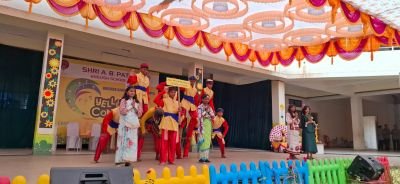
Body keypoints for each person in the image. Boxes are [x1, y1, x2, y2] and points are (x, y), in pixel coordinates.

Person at [127, 63, 150, 161]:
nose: (145, 70)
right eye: (143, 69)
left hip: (144, 99)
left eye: (146, 69)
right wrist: (131, 74)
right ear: (140, 69)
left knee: (145, 116)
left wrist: (148, 99)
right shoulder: (137, 76)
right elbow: (130, 82)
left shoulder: (147, 79)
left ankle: (142, 125)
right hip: (137, 97)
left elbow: (147, 90)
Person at [115, 86, 142, 166]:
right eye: (131, 91)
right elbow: (122, 111)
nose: (132, 92)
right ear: (127, 92)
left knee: (131, 142)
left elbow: (139, 114)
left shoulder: (137, 102)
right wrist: (131, 106)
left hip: (133, 125)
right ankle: (119, 159)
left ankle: (128, 160)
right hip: (124, 124)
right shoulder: (123, 100)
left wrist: (135, 106)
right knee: (123, 141)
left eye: (134, 91)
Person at [155, 86, 180, 165]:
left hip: (174, 123)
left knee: (173, 143)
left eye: (174, 92)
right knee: (164, 143)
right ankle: (163, 160)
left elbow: (179, 113)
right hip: (166, 123)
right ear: (168, 93)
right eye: (171, 92)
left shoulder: (178, 102)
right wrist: (163, 92)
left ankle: (171, 160)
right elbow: (155, 100)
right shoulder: (164, 100)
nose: (173, 93)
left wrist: (179, 111)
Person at [182, 76, 200, 158]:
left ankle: (186, 153)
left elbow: (196, 100)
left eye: (194, 80)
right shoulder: (186, 85)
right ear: (189, 80)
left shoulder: (195, 90)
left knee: (195, 120)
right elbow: (180, 88)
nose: (193, 81)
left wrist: (197, 107)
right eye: (191, 80)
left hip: (192, 107)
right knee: (181, 119)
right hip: (184, 104)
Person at [197, 94, 215, 163]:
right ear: (202, 99)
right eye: (205, 99)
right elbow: (199, 116)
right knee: (202, 141)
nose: (207, 100)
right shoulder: (199, 107)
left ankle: (206, 157)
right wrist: (205, 111)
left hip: (208, 124)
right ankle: (201, 158)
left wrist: (208, 113)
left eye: (208, 99)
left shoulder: (209, 107)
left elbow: (213, 116)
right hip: (202, 125)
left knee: (207, 141)